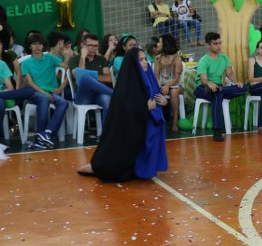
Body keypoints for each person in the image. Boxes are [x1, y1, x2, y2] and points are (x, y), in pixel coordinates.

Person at [80, 48, 168, 182]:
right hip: (129, 129)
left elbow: (155, 97)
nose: (145, 62)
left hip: (145, 121)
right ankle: (98, 166)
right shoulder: (128, 82)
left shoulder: (148, 77)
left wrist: (164, 102)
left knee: (154, 130)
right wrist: (145, 107)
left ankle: (143, 168)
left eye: (145, 59)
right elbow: (126, 109)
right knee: (108, 166)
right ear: (134, 63)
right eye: (141, 60)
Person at [194, 32, 247, 142]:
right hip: (202, 88)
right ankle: (217, 131)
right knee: (217, 94)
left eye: (219, 43)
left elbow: (230, 73)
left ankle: (222, 90)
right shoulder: (203, 60)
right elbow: (203, 80)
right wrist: (210, 83)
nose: (218, 46)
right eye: (215, 44)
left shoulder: (224, 57)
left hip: (218, 87)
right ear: (208, 45)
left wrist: (236, 82)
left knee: (244, 88)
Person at [21, 33, 69, 149]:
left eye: (39, 44)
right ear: (29, 46)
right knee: (43, 99)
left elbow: (66, 68)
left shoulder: (50, 58)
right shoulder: (26, 63)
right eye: (34, 44)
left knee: (63, 102)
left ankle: (47, 132)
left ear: (43, 46)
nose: (37, 47)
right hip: (35, 92)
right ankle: (40, 135)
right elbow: (30, 83)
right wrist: (45, 93)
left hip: (51, 91)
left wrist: (61, 87)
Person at [67, 33, 114, 124]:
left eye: (96, 46)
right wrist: (83, 57)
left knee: (107, 100)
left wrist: (92, 78)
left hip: (98, 94)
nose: (93, 48)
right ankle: (115, 94)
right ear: (82, 45)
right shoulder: (74, 59)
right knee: (85, 78)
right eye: (90, 45)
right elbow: (79, 77)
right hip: (82, 96)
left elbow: (108, 78)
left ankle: (106, 132)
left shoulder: (101, 59)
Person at [154, 34, 182, 132]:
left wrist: (167, 85)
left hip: (175, 85)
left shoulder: (177, 59)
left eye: (159, 42)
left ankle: (175, 121)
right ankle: (158, 120)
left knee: (174, 91)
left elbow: (176, 78)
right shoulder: (158, 58)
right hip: (161, 85)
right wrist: (159, 86)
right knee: (154, 91)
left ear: (165, 44)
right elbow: (156, 76)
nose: (157, 44)